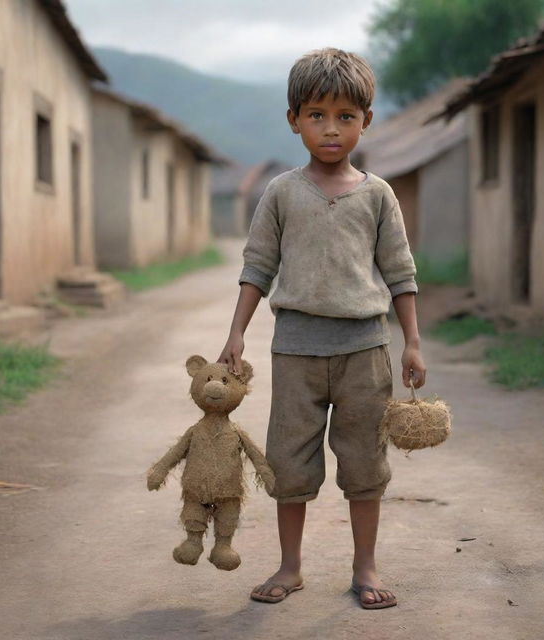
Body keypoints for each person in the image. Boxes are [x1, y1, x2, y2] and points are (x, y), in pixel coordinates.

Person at [217, 47, 426, 610]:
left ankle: (365, 567)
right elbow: (257, 265)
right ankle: (290, 566)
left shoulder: (378, 195)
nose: (330, 129)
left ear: (366, 121)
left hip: (365, 351)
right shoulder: (282, 193)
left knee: (364, 462)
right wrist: (237, 332)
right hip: (296, 352)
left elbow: (399, 271)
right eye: (316, 115)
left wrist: (412, 340)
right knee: (289, 462)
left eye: (345, 117)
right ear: (294, 120)